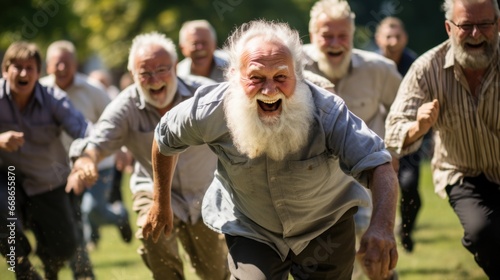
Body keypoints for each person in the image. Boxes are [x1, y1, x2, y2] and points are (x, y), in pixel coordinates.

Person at [143, 19, 399, 280]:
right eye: (256, 78)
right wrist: (161, 202)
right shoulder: (209, 110)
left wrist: (382, 227)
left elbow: (379, 164)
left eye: (280, 77)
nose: (269, 90)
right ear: (235, 75)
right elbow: (165, 138)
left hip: (325, 226)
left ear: (297, 76)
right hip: (252, 228)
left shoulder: (327, 112)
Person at [66, 31, 229, 280]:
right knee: (151, 233)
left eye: (162, 69)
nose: (154, 80)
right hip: (154, 190)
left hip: (204, 195)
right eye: (145, 73)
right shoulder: (126, 106)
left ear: (175, 67)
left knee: (216, 273)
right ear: (133, 75)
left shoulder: (203, 95)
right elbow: (97, 142)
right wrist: (86, 160)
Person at [384, 0, 500, 278]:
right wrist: (419, 126)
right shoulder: (427, 68)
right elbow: (395, 129)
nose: (476, 34)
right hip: (461, 172)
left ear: (497, 24)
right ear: (449, 28)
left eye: (485, 24)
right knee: (483, 234)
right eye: (466, 26)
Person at [305, 1, 402, 278]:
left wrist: (392, 151)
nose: (335, 44)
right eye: (327, 35)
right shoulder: (292, 68)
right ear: (312, 36)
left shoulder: (379, 70)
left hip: (364, 179)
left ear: (352, 34)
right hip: (311, 184)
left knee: (371, 251)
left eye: (342, 36)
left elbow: (403, 110)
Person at [40, 40, 132, 279]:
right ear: (48, 65)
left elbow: (115, 119)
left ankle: (120, 216)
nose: (61, 67)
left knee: (92, 209)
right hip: (59, 171)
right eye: (56, 62)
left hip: (98, 164)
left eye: (66, 63)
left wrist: (121, 147)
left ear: (75, 64)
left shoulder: (92, 89)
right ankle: (83, 272)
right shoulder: (40, 91)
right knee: (71, 223)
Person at [0, 41, 89, 280]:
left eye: (29, 68)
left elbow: (83, 130)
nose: (23, 73)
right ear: (4, 70)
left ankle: (50, 269)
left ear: (39, 73)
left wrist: (85, 159)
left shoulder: (53, 99)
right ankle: (22, 267)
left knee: (64, 247)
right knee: (2, 212)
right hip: (7, 178)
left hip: (46, 182)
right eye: (16, 67)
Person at [375, 16, 432, 253]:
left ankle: (406, 231)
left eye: (397, 36)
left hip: (409, 138)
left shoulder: (415, 65)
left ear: (405, 38)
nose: (393, 41)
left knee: (409, 188)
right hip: (375, 139)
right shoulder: (369, 65)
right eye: (388, 36)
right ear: (378, 39)